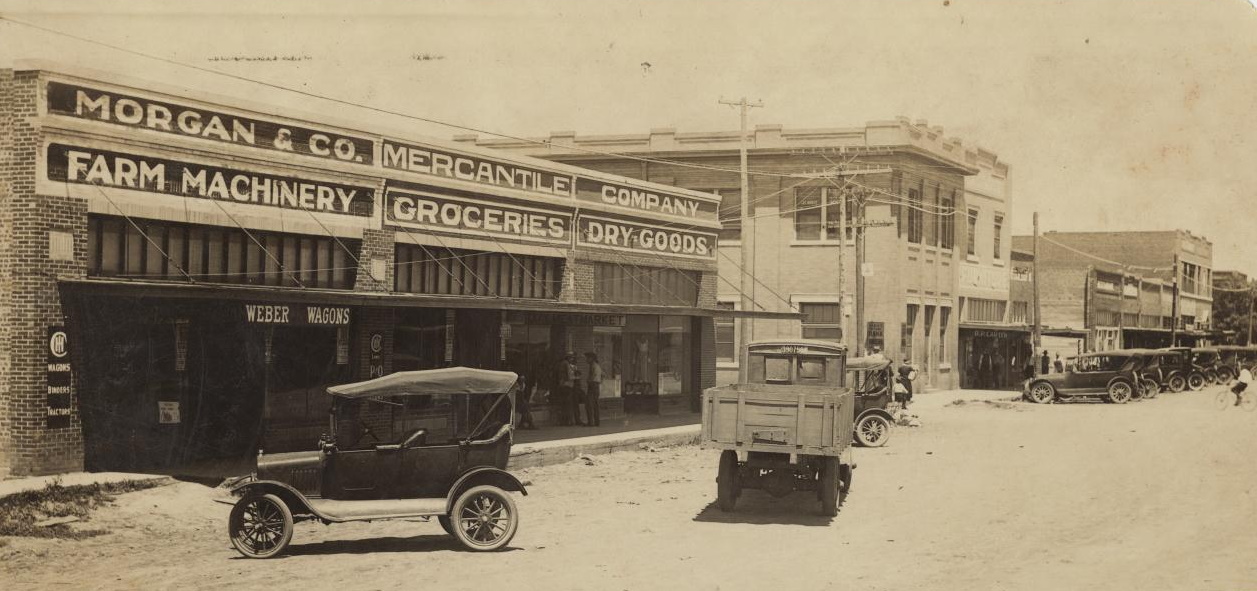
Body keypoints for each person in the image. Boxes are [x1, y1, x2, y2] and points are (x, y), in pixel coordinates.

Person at [561, 353, 585, 426]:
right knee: (570, 404)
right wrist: (577, 377)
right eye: (571, 358)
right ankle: (570, 420)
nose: (573, 359)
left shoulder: (571, 366)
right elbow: (569, 377)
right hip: (569, 386)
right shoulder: (566, 365)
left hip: (571, 387)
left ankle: (571, 420)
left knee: (571, 404)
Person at [584, 352, 603, 426]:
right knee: (595, 404)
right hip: (596, 385)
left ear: (591, 358)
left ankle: (591, 422)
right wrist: (600, 381)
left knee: (589, 404)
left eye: (587, 358)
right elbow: (603, 375)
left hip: (592, 385)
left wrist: (589, 380)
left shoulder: (593, 366)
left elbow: (593, 376)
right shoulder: (597, 365)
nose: (586, 359)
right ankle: (596, 422)